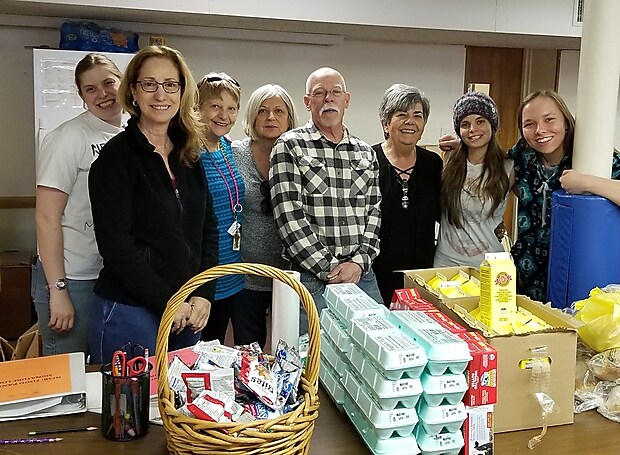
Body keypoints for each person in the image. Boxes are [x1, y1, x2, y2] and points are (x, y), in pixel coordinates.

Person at [88, 45, 217, 364]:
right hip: (131, 312)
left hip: (186, 311)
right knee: (130, 412)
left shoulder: (190, 154)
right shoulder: (115, 159)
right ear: (133, 91)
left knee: (180, 406)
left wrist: (204, 292)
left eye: (170, 84)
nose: (161, 94)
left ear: (182, 92)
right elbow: (117, 247)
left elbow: (208, 230)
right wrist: (169, 301)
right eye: (149, 84)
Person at [270, 67, 383, 334]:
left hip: (361, 276)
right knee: (313, 362)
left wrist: (359, 263)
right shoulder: (289, 146)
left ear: (347, 100)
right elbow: (289, 217)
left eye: (335, 92)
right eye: (319, 93)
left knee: (373, 359)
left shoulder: (365, 152)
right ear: (308, 102)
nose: (328, 99)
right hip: (313, 279)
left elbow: (375, 212)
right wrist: (331, 269)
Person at [33, 53, 124, 356]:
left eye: (109, 83)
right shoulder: (68, 138)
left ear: (122, 82)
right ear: (81, 95)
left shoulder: (129, 135)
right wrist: (58, 291)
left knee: (106, 366)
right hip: (72, 278)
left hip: (111, 273)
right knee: (67, 375)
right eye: (91, 89)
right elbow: (47, 219)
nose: (103, 94)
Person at [231, 84, 298, 347]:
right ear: (252, 117)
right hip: (245, 273)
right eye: (263, 110)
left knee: (290, 345)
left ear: (290, 119)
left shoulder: (299, 156)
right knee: (249, 349)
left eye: (279, 111)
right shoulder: (234, 153)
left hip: (289, 273)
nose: (271, 117)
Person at [371, 84, 443, 305]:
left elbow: (444, 211)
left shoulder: (433, 164)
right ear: (385, 122)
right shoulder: (368, 160)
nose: (410, 121)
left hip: (422, 273)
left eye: (417, 116)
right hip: (376, 273)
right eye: (401, 115)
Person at [434, 92, 513, 268]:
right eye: (465, 124)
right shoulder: (448, 159)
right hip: (446, 263)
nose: (472, 129)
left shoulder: (508, 167)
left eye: (480, 121)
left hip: (489, 265)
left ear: (492, 125)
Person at [197, 72, 246, 344]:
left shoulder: (228, 147)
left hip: (232, 269)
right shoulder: (188, 153)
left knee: (216, 345)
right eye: (215, 106)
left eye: (231, 108)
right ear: (198, 108)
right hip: (203, 274)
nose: (223, 115)